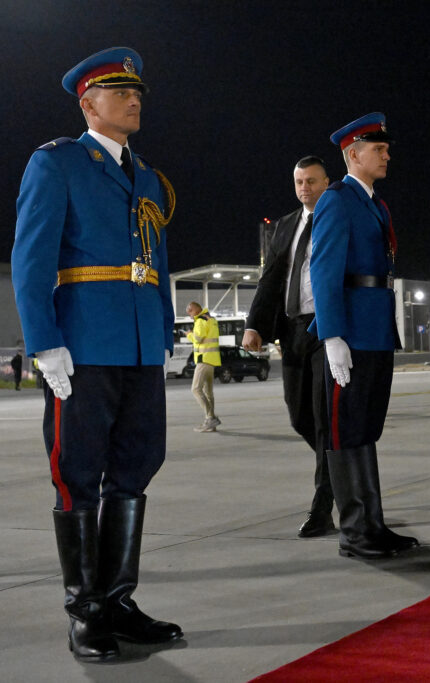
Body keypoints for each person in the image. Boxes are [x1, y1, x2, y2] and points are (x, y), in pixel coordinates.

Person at [11, 47, 182, 661]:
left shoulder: (147, 176)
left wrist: (162, 335)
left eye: (137, 92)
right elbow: (32, 259)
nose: (134, 100)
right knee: (78, 470)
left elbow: (156, 264)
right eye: (120, 92)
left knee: (136, 465)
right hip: (82, 345)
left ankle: (117, 600)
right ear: (88, 104)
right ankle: (85, 611)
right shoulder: (57, 163)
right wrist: (44, 342)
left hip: (138, 346)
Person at [309, 112, 419, 559]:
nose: (387, 155)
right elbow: (324, 272)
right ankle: (355, 533)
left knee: (366, 429)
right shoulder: (336, 200)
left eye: (386, 148)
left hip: (375, 331)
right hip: (351, 334)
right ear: (354, 155)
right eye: (379, 149)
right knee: (346, 430)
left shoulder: (374, 203)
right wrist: (333, 336)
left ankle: (373, 524)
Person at [243, 156, 336, 537]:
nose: (304, 188)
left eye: (311, 181)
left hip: (327, 328)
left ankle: (322, 507)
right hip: (292, 329)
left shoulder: (337, 217)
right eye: (299, 182)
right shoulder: (285, 225)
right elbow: (270, 279)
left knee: (325, 418)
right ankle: (343, 468)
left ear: (327, 183)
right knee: (300, 416)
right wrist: (254, 325)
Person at [186, 301, 221, 432]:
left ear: (194, 310)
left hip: (204, 359)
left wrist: (189, 334)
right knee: (208, 392)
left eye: (189, 312)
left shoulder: (200, 320)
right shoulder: (211, 319)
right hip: (212, 360)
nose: (190, 316)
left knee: (195, 389)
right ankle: (211, 424)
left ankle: (210, 418)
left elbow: (198, 338)